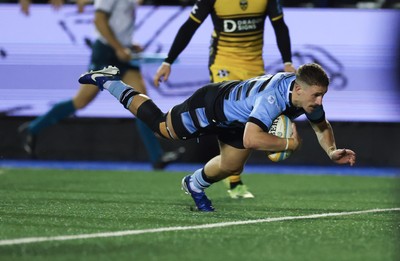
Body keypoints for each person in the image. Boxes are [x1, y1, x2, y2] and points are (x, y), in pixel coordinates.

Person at [78, 63, 357, 212]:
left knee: (232, 165)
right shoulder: (272, 99)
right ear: (297, 89)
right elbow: (251, 138)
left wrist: (331, 151)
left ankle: (193, 184)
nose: (319, 101)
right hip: (211, 105)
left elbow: (321, 126)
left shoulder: (304, 95)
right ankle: (110, 81)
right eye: (316, 95)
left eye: (322, 95)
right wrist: (288, 144)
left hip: (236, 117)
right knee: (162, 128)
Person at [153, 0, 296, 199]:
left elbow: (279, 25)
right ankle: (234, 179)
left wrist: (287, 61)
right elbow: (190, 26)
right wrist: (168, 61)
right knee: (228, 116)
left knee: (248, 122)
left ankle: (232, 171)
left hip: (254, 67)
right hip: (223, 63)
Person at [18, 0, 184, 169]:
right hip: (106, 52)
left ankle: (157, 157)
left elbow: (118, 22)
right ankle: (32, 129)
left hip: (122, 52)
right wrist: (119, 47)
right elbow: (99, 20)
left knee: (140, 100)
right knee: (81, 101)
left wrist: (128, 43)